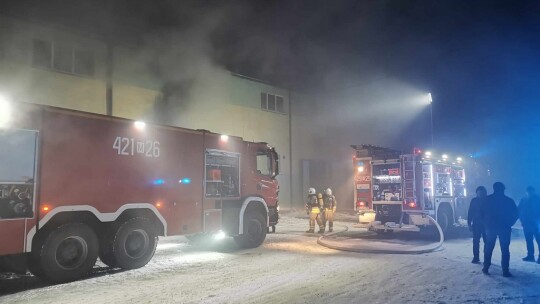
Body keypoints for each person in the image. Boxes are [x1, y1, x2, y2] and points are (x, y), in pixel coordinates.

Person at [481, 182, 519, 277]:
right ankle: (505, 271)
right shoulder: (508, 201)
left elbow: (481, 213)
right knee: (505, 249)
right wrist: (510, 223)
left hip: (491, 228)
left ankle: (486, 267)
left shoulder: (487, 200)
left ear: (494, 188)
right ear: (503, 189)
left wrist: (485, 224)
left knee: (489, 248)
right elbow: (516, 213)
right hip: (504, 228)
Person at [518, 186, 540, 263]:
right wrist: (522, 219)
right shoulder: (523, 199)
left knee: (538, 240)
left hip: (535, 223)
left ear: (533, 191)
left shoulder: (537, 199)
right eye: (528, 191)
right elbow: (519, 209)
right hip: (527, 223)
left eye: (530, 191)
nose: (529, 193)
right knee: (529, 240)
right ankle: (530, 255)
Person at [468, 186, 487, 264]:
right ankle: (476, 257)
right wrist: (469, 223)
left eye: (481, 192)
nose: (480, 194)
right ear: (476, 193)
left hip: (486, 225)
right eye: (479, 193)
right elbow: (470, 212)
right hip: (476, 224)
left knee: (487, 242)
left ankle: (487, 257)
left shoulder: (488, 200)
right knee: (476, 242)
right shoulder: (474, 201)